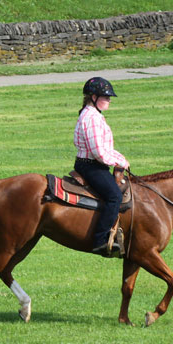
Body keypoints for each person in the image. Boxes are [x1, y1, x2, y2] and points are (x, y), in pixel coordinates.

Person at [73, 77, 130, 257]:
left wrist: (121, 159)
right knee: (114, 196)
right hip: (91, 166)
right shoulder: (91, 118)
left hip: (94, 164)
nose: (109, 100)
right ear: (94, 97)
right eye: (106, 97)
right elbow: (99, 152)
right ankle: (100, 240)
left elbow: (105, 149)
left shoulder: (95, 115)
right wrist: (120, 162)